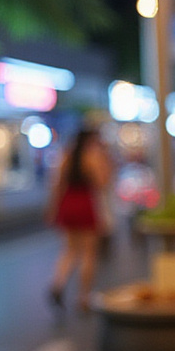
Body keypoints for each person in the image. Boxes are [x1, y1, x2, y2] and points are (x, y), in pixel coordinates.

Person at [46, 126, 113, 312]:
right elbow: (103, 183)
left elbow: (57, 184)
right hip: (85, 203)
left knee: (69, 250)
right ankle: (83, 296)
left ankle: (57, 284)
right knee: (88, 253)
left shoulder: (66, 155)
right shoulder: (92, 156)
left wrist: (52, 209)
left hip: (68, 202)